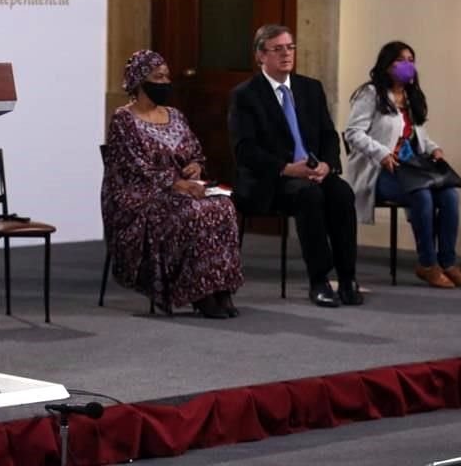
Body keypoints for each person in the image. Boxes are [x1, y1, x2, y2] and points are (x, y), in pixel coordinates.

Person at [101, 50, 244, 319]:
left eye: (166, 76)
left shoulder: (175, 115)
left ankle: (220, 287)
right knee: (194, 213)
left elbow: (195, 152)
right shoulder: (124, 120)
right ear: (139, 81)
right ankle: (199, 292)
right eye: (158, 77)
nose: (165, 82)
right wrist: (174, 183)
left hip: (184, 189)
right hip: (141, 197)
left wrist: (195, 167)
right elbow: (135, 168)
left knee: (223, 206)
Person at [228, 24, 363, 307]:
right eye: (278, 49)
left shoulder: (310, 88)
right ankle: (319, 280)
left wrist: (327, 164)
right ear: (260, 56)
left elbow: (328, 134)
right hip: (271, 178)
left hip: (313, 171)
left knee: (342, 193)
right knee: (308, 195)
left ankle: (348, 277)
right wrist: (288, 169)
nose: (287, 54)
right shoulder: (246, 95)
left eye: (290, 47)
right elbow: (246, 150)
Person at [344, 41, 461, 289]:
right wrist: (382, 153)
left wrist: (433, 148)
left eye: (411, 60)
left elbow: (417, 135)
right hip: (380, 171)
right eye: (401, 60)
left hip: (411, 168)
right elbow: (353, 133)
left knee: (449, 195)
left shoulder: (411, 96)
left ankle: (448, 263)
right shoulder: (371, 94)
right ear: (386, 65)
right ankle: (427, 263)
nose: (408, 65)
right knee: (422, 195)